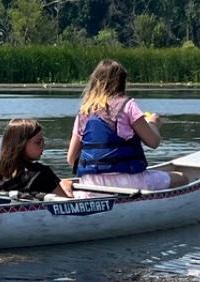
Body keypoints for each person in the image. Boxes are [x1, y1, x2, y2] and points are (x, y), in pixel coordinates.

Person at [66, 59, 186, 196]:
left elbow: (71, 159)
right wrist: (153, 123)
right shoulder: (128, 106)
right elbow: (153, 142)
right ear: (122, 82)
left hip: (90, 185)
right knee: (182, 178)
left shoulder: (84, 112)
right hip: (128, 183)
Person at [0, 118, 74, 200]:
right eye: (38, 142)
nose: (43, 145)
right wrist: (67, 188)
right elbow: (67, 205)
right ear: (20, 145)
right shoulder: (41, 173)